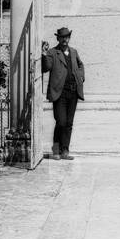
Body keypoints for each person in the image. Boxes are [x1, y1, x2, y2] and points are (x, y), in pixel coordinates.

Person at [41, 26, 85, 160]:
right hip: (59, 92)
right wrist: (43, 54)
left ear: (69, 38)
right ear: (58, 39)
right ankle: (56, 149)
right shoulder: (53, 52)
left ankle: (65, 150)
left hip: (73, 92)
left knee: (69, 123)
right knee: (61, 121)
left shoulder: (73, 52)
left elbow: (80, 65)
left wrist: (80, 77)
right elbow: (46, 68)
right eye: (62, 37)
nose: (65, 39)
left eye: (67, 37)